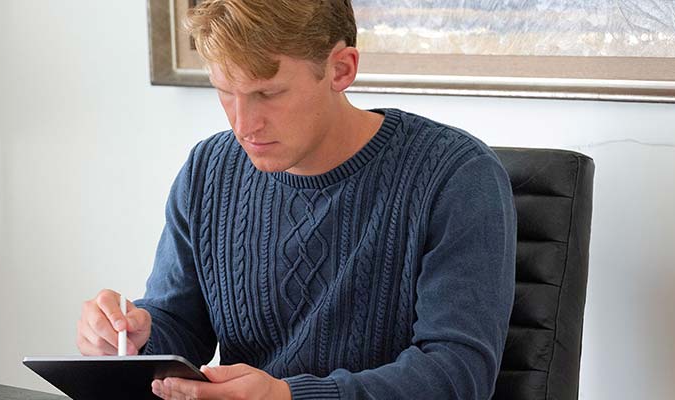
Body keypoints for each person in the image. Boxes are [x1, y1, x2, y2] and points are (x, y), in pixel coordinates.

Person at [76, 0, 516, 398]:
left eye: (268, 93)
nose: (243, 124)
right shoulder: (209, 169)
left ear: (341, 69)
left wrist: (288, 396)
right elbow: (181, 325)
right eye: (226, 91)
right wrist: (137, 338)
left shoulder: (456, 176)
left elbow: (458, 375)